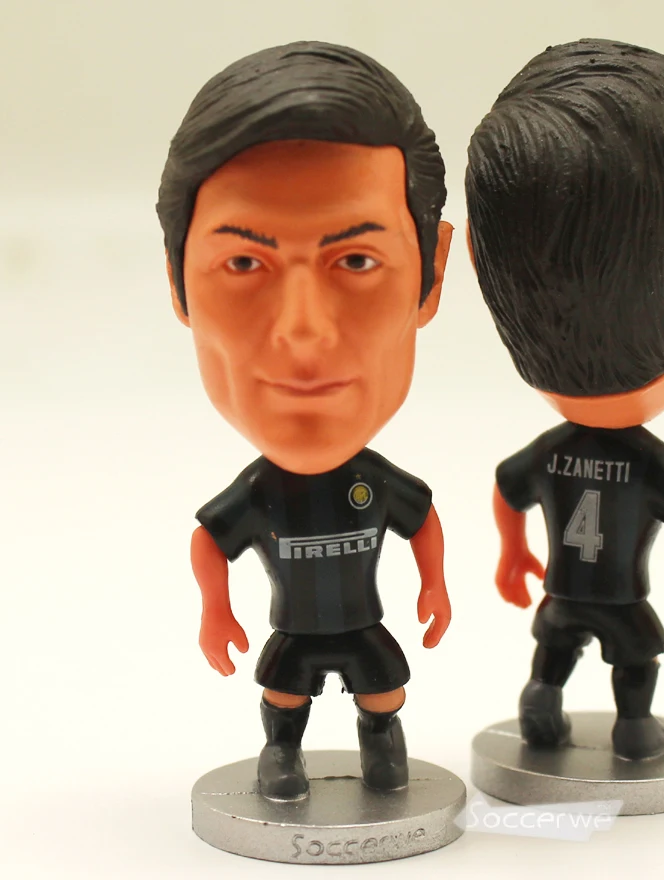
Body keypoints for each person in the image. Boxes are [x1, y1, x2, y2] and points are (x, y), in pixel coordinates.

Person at [157, 42, 453, 799]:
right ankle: (281, 756)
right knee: (284, 695)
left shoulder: (375, 480)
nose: (303, 334)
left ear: (432, 273)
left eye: (356, 261)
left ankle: (382, 750)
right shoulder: (259, 492)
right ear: (176, 281)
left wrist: (435, 586)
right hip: (292, 632)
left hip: (363, 625)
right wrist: (215, 610)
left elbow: (421, 518)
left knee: (383, 692)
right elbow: (209, 538)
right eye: (243, 264)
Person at [465, 39, 664, 760]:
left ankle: (542, 695)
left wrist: (511, 552)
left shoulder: (550, 453)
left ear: (483, 268)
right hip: (622, 597)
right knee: (636, 661)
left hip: (561, 594)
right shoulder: (649, 463)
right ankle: (633, 725)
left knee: (554, 654)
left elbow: (505, 486)